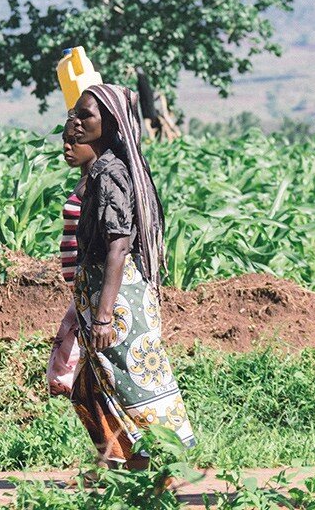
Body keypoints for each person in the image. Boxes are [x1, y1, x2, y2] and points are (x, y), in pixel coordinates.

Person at [69, 84, 195, 469]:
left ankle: (167, 467)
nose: (73, 124)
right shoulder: (102, 170)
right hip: (106, 299)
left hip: (118, 304)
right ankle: (120, 467)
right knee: (93, 388)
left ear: (108, 124)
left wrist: (104, 315)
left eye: (85, 116)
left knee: (134, 387)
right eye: (73, 115)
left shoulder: (111, 175)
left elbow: (118, 246)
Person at [46, 119, 96, 396]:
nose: (67, 146)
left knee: (75, 359)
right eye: (64, 139)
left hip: (90, 285)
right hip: (79, 286)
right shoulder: (84, 180)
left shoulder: (98, 184)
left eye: (75, 141)